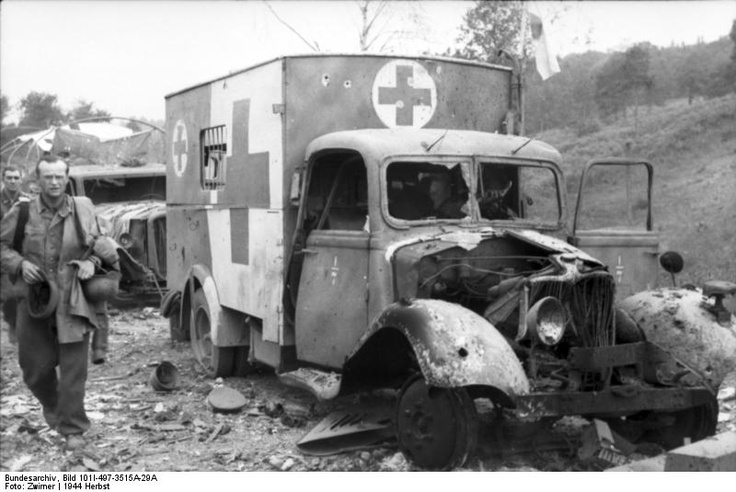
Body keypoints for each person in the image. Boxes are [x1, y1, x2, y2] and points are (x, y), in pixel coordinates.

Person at [0, 155, 119, 451]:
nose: (54, 182)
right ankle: (53, 406)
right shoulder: (22, 211)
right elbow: (1, 246)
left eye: (59, 177)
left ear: (67, 177)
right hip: (35, 300)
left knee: (73, 370)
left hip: (73, 300)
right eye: (47, 177)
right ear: (37, 180)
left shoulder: (82, 209)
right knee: (34, 370)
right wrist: (19, 264)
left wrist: (91, 261)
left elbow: (102, 246)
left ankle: (72, 428)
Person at [1, 165, 30, 344]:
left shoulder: (27, 201)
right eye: (9, 177)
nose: (12, 181)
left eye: (16, 178)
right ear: (3, 179)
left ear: (21, 180)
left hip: (16, 253)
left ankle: (13, 323)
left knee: (12, 294)